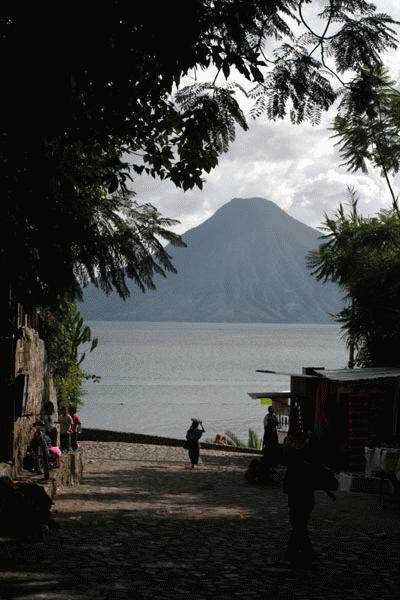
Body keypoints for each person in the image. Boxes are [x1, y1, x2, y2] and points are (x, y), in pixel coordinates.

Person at [282, 430, 317, 566]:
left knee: (299, 522)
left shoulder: (292, 454)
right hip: (301, 492)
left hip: (298, 492)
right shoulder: (299, 455)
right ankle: (304, 551)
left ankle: (295, 550)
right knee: (299, 522)